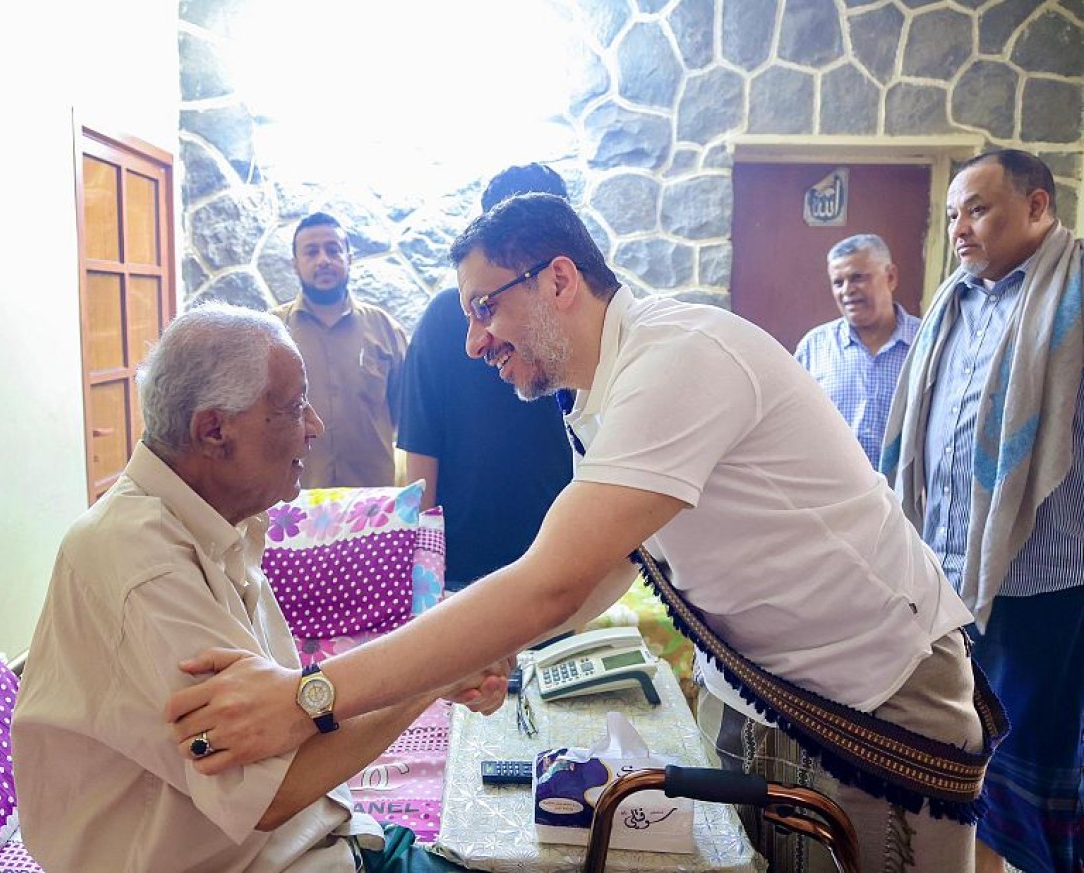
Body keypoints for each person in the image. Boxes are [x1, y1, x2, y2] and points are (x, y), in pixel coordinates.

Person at [166, 194, 1003, 871]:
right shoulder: (597, 393)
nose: (473, 340)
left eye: (485, 307)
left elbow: (553, 580)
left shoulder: (678, 359)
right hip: (768, 691)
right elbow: (608, 564)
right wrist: (484, 650)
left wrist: (309, 694)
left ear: (559, 279)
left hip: (874, 691)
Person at [11, 303, 491, 871]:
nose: (313, 425)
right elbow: (273, 790)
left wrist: (435, 664)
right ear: (214, 430)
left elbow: (290, 715)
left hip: (329, 837)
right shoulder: (143, 563)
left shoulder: (214, 525)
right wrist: (434, 672)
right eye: (292, 408)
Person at [881, 149, 1083, 873]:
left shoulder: (1075, 291)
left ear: (1038, 207)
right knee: (964, 762)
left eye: (979, 209)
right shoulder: (953, 301)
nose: (960, 227)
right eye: (953, 213)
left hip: (1045, 582)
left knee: (1028, 772)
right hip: (951, 578)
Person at [398, 162, 573, 589]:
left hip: (562, 563)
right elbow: (421, 453)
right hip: (463, 570)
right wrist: (424, 575)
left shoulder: (582, 323)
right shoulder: (444, 319)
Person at [272, 212, 408, 488]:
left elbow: (405, 414)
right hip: (294, 501)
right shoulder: (271, 332)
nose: (323, 260)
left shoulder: (385, 330)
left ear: (349, 258)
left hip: (371, 502)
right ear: (295, 264)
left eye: (333, 250)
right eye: (311, 252)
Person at [794, 233, 921, 467]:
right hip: (831, 494)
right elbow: (792, 425)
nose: (847, 290)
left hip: (903, 497)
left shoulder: (926, 343)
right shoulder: (814, 348)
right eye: (838, 282)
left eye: (858, 278)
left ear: (891, 277)